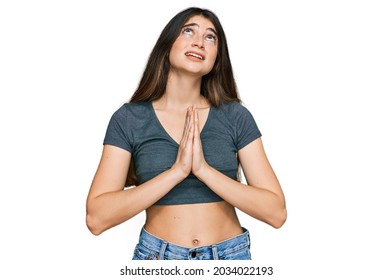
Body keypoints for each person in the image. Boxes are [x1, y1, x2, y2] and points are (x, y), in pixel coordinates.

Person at [86, 7, 287, 260]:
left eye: (210, 37)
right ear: (167, 44)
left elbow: (276, 212)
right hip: (158, 258)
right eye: (188, 31)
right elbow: (97, 218)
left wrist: (204, 170)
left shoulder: (235, 116)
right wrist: (176, 172)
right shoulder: (129, 119)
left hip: (229, 258)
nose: (199, 42)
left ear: (217, 57)